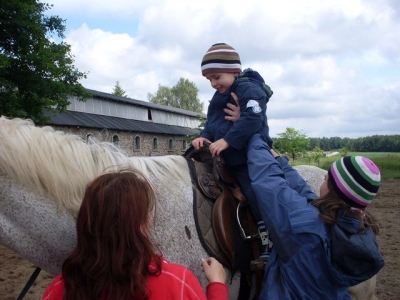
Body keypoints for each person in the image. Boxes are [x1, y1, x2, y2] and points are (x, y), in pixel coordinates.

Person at [42, 169, 228, 300]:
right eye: (147, 212)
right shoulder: (178, 283)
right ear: (144, 221)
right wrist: (217, 285)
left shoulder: (59, 288)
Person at [245, 133, 385, 299]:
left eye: (327, 179)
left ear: (332, 191)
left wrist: (254, 135)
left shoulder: (306, 227)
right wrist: (280, 161)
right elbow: (305, 193)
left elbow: (268, 182)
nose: (324, 177)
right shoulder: (360, 230)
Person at [192, 43, 274, 262]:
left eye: (216, 77)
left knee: (255, 189)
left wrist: (228, 140)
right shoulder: (219, 97)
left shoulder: (248, 89)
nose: (213, 83)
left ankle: (269, 235)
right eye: (209, 79)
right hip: (226, 156)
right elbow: (212, 123)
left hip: (248, 156)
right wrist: (204, 136)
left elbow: (253, 117)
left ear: (235, 71)